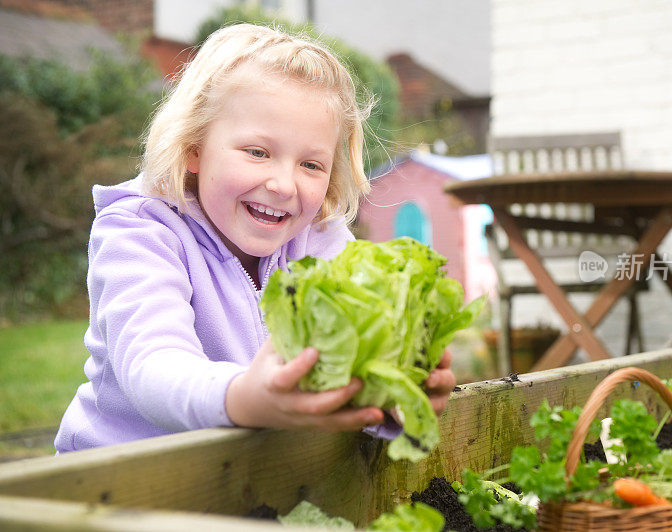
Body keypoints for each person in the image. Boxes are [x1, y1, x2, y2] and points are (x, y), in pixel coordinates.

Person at [55, 24, 456, 453]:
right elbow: (153, 368)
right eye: (258, 153)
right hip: (117, 488)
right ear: (194, 146)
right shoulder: (141, 231)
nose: (284, 185)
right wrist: (244, 398)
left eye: (311, 165)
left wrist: (393, 396)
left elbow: (345, 372)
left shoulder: (320, 237)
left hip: (244, 480)